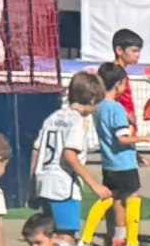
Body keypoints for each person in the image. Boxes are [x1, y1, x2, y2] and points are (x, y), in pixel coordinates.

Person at [80, 62, 145, 246]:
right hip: (124, 163)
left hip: (109, 162)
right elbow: (122, 138)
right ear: (118, 84)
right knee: (133, 198)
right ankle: (132, 244)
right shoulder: (116, 108)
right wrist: (145, 138)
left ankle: (89, 239)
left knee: (110, 198)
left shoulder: (98, 107)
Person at [30, 73, 106, 236]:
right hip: (63, 188)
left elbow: (36, 151)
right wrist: (95, 185)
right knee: (66, 237)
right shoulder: (77, 120)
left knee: (49, 235)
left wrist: (33, 184)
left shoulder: (53, 117)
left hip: (44, 183)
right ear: (92, 100)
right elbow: (70, 154)